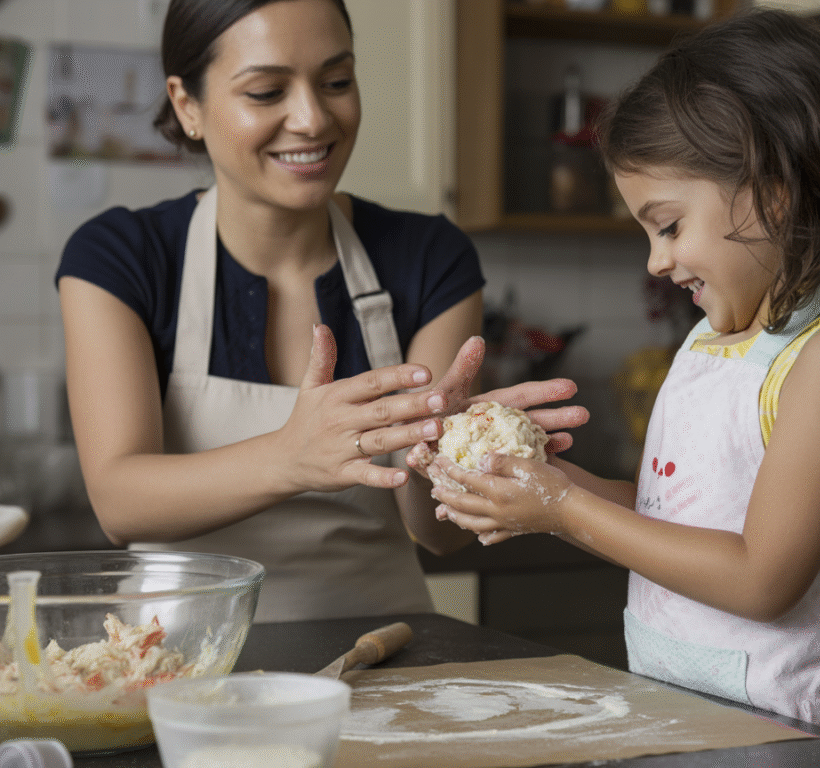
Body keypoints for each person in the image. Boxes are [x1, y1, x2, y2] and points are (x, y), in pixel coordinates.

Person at [424, 9, 820, 739]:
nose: (655, 261)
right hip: (673, 710)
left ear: (775, 189)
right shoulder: (710, 341)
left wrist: (561, 510)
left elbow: (763, 577)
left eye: (667, 225)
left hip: (786, 734)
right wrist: (527, 481)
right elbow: (674, 517)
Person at [55, 0, 587, 623]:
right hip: (177, 662)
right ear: (186, 104)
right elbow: (120, 502)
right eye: (266, 91)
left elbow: (439, 535)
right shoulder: (121, 256)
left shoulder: (429, 256)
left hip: (386, 660)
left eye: (336, 82)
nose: (312, 118)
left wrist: (461, 459)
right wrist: (292, 454)